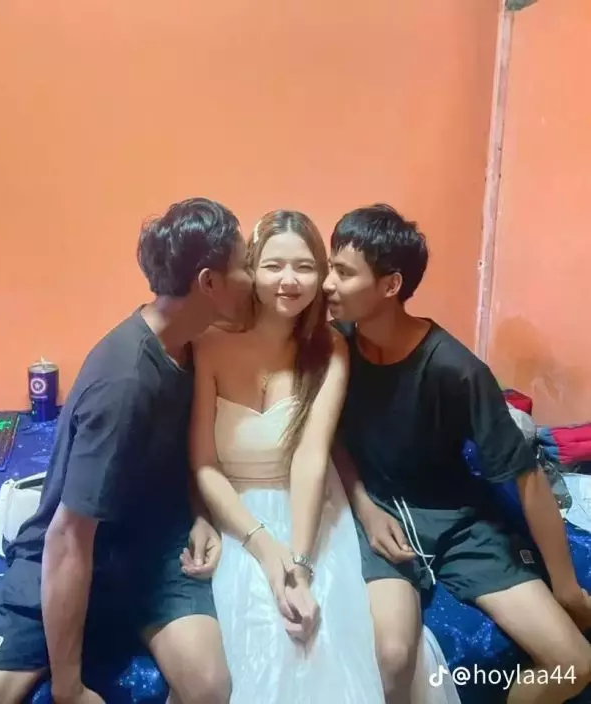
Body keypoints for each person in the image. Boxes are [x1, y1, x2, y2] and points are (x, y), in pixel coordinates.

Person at [184, 210, 460, 704]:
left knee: (321, 638)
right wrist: (265, 550)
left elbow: (311, 458)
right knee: (261, 636)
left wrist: (300, 563)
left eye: (305, 266)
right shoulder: (209, 343)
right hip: (236, 512)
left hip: (309, 506)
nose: (289, 280)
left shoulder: (329, 346)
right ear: (251, 267)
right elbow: (204, 463)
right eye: (273, 266)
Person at [0, 197, 253, 704]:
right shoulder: (125, 382)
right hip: (79, 549)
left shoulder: (191, 341)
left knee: (209, 686)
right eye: (245, 266)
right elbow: (68, 537)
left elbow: (179, 452)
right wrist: (69, 687)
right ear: (208, 283)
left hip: (153, 549)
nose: (253, 278)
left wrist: (200, 514)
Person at [323, 203, 591, 703]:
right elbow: (329, 433)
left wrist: (567, 587)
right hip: (378, 515)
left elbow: (527, 476)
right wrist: (363, 506)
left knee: (574, 663)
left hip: (458, 523)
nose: (326, 284)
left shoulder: (456, 370)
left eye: (342, 272)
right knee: (393, 655)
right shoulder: (338, 345)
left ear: (390, 285)